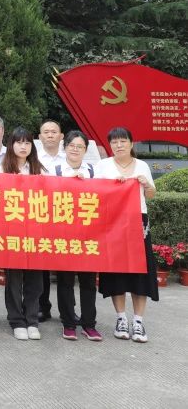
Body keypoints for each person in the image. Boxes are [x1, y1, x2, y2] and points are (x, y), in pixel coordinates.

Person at [96, 126, 157, 343]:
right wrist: (113, 186)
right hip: (112, 222)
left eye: (123, 141)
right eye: (114, 142)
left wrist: (145, 184)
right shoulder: (103, 165)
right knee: (117, 272)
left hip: (138, 222)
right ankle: (121, 318)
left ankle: (138, 321)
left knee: (141, 271)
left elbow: (151, 194)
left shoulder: (142, 165)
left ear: (131, 143)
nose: (119, 145)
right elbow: (94, 192)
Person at [53, 130, 103, 342]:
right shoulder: (54, 170)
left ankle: (89, 324)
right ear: (65, 147)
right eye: (71, 145)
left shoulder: (94, 171)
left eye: (80, 146)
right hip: (63, 235)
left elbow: (106, 195)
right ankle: (68, 323)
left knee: (88, 281)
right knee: (65, 281)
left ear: (85, 150)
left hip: (88, 235)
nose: (75, 149)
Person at [0, 127, 45, 341]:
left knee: (35, 279)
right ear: (12, 145)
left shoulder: (39, 169)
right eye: (19, 142)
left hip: (35, 231)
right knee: (14, 279)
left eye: (27, 142)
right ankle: (16, 320)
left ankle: (32, 320)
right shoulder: (2, 169)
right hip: (12, 231)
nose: (23, 146)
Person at [35, 119, 65, 321]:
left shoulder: (69, 157)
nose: (50, 135)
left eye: (54, 131)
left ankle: (67, 310)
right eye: (46, 132)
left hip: (64, 217)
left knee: (65, 265)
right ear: (40, 137)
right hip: (40, 217)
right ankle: (42, 306)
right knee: (41, 265)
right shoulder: (33, 159)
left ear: (61, 136)